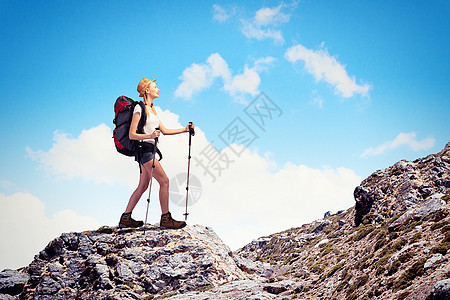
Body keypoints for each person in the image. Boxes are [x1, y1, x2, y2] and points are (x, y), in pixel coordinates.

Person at [119, 77, 194, 229]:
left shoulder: (152, 110)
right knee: (165, 181)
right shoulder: (139, 109)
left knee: (143, 185)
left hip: (147, 151)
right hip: (145, 151)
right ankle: (165, 218)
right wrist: (150, 136)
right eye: (155, 87)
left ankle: (125, 218)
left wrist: (185, 129)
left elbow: (164, 131)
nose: (158, 89)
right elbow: (132, 134)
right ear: (147, 90)